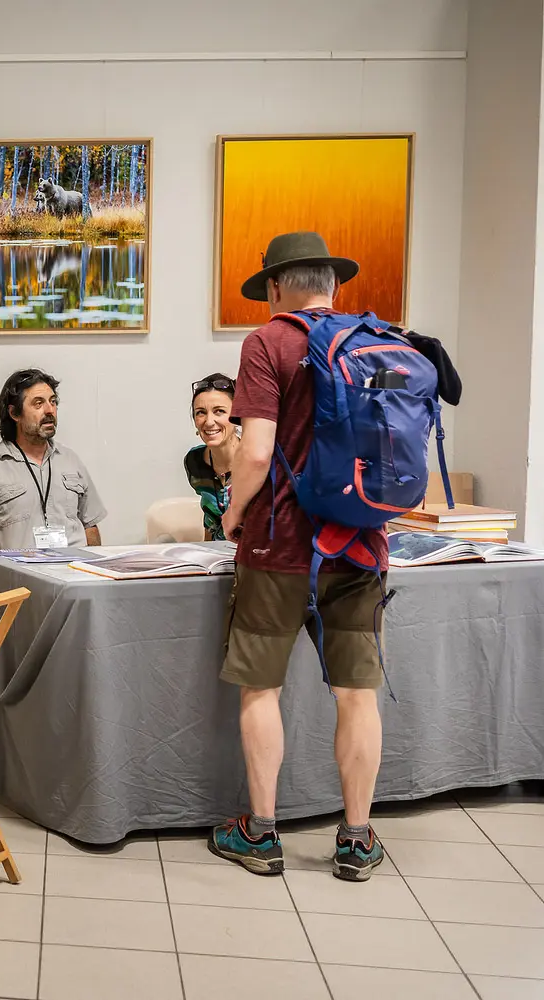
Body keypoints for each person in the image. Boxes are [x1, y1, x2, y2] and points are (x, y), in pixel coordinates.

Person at [210, 232, 388, 881]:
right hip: (360, 543)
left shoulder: (269, 341)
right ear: (333, 284)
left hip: (280, 544)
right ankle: (357, 839)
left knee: (263, 688)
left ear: (278, 286)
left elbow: (255, 451)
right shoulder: (373, 339)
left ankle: (261, 835)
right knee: (356, 694)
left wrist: (233, 512)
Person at [0, 368, 106, 556]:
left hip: (71, 577)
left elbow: (90, 526)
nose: (49, 410)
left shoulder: (71, 461)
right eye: (38, 404)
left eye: (53, 402)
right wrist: (4, 569)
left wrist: (93, 571)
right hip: (17, 580)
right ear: (14, 413)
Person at [184, 373, 238, 541]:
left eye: (219, 411)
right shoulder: (194, 460)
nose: (209, 422)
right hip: (216, 560)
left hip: (252, 560)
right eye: (201, 412)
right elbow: (210, 523)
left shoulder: (259, 460)